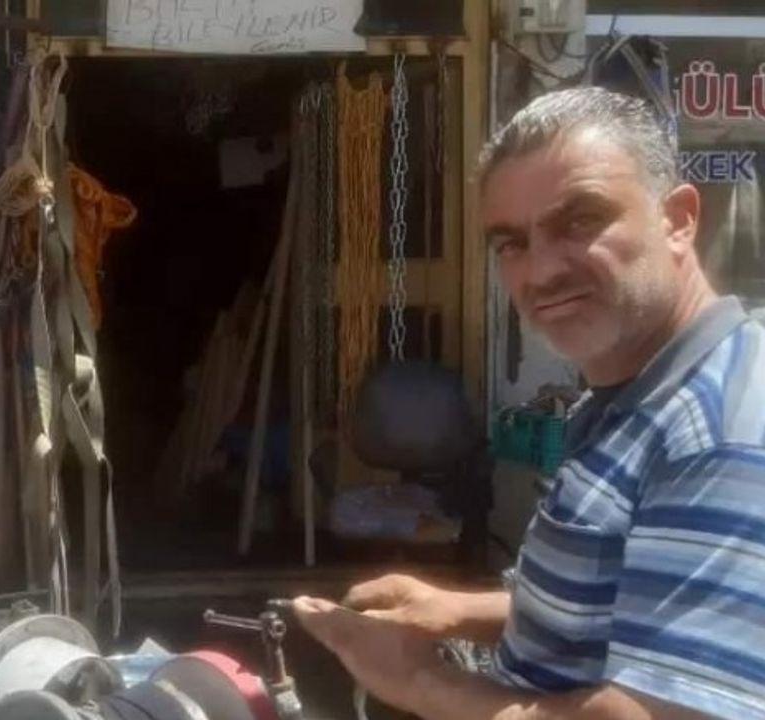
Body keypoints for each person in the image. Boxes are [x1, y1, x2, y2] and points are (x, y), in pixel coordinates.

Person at [293, 86, 765, 719]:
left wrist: (418, 682)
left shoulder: (719, 436)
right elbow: (619, 605)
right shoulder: (631, 396)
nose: (540, 273)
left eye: (581, 221)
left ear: (677, 220)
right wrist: (456, 610)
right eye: (511, 243)